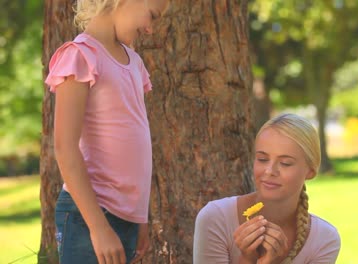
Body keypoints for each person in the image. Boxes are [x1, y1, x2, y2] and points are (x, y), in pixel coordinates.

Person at [44, 0, 169, 263]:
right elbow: (65, 149)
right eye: (152, 17)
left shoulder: (134, 62)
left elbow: (137, 149)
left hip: (126, 219)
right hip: (88, 216)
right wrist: (99, 228)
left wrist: (140, 218)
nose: (150, 30)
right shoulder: (80, 56)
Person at [193, 113, 341, 264]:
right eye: (262, 159)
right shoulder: (216, 218)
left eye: (285, 163)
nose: (269, 171)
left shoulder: (324, 239)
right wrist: (247, 259)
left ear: (310, 171)